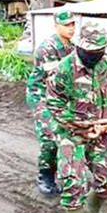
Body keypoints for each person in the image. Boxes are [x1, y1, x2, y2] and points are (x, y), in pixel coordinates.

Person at [46, 22, 107, 213]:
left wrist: (105, 122)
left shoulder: (104, 62)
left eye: (100, 51)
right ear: (80, 47)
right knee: (73, 181)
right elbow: (54, 105)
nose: (97, 55)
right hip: (71, 132)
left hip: (98, 129)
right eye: (92, 51)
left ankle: (93, 207)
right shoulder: (63, 69)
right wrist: (80, 127)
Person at [26, 10, 75, 196]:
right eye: (66, 25)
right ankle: (45, 176)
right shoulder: (47, 48)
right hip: (41, 95)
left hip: (60, 96)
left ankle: (68, 172)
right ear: (57, 26)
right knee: (49, 136)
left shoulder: (72, 47)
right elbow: (56, 76)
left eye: (72, 24)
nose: (71, 28)